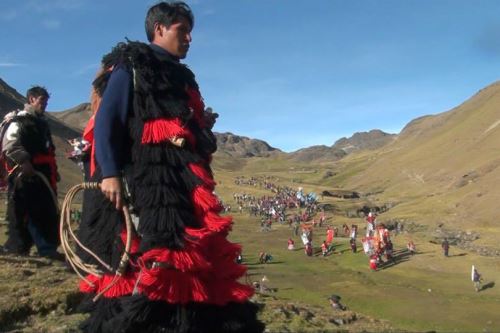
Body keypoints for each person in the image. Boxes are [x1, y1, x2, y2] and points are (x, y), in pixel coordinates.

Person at [76, 2, 263, 332]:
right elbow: (108, 122)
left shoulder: (184, 77)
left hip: (182, 184)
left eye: (191, 31)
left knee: (190, 255)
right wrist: (109, 173)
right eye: (182, 29)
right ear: (159, 29)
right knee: (155, 257)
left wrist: (199, 124)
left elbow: (185, 133)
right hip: (148, 183)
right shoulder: (132, 66)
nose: (190, 37)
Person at [1, 86, 61, 259]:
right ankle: (18, 247)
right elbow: (10, 143)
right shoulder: (18, 120)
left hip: (43, 176)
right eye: (42, 100)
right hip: (24, 175)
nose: (45, 105)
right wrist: (24, 161)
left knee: (46, 211)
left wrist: (54, 171)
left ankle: (47, 248)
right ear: (31, 99)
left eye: (46, 101)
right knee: (23, 212)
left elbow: (49, 150)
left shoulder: (42, 123)